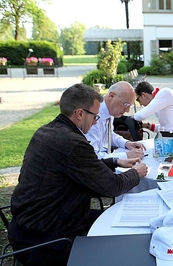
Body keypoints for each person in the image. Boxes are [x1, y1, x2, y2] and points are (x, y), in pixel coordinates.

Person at [8, 84, 148, 266]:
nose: (97, 122)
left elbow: (79, 167)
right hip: (46, 238)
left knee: (114, 220)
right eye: (95, 117)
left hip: (29, 224)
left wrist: (115, 162)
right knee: (122, 233)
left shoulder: (47, 131)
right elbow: (112, 186)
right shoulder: (73, 142)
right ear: (80, 113)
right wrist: (135, 173)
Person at [86, 81, 145, 160]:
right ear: (111, 96)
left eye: (130, 106)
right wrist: (126, 156)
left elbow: (109, 135)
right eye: (125, 105)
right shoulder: (94, 116)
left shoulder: (109, 111)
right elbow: (94, 157)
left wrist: (126, 143)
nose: (127, 110)